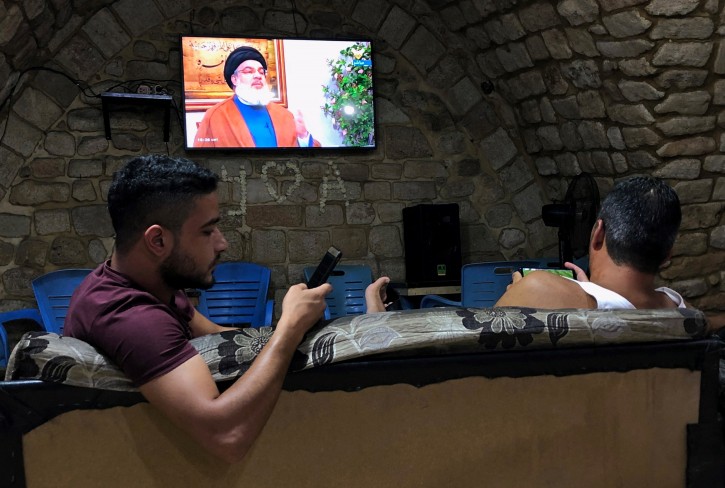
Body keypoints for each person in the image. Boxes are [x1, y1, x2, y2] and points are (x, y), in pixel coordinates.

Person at [64, 154, 331, 463]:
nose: (222, 244)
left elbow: (217, 335)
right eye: (207, 231)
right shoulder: (129, 316)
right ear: (158, 240)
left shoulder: (153, 283)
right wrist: (289, 328)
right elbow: (226, 437)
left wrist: (292, 326)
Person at [494, 175, 687, 309]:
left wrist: (518, 292)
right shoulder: (680, 310)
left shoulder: (536, 289)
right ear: (667, 256)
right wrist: (589, 289)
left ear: (598, 234)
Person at [194, 46, 320, 148]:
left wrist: (304, 136)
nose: (258, 76)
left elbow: (307, 163)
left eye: (261, 72)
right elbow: (202, 163)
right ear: (235, 79)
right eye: (249, 71)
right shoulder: (215, 116)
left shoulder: (285, 115)